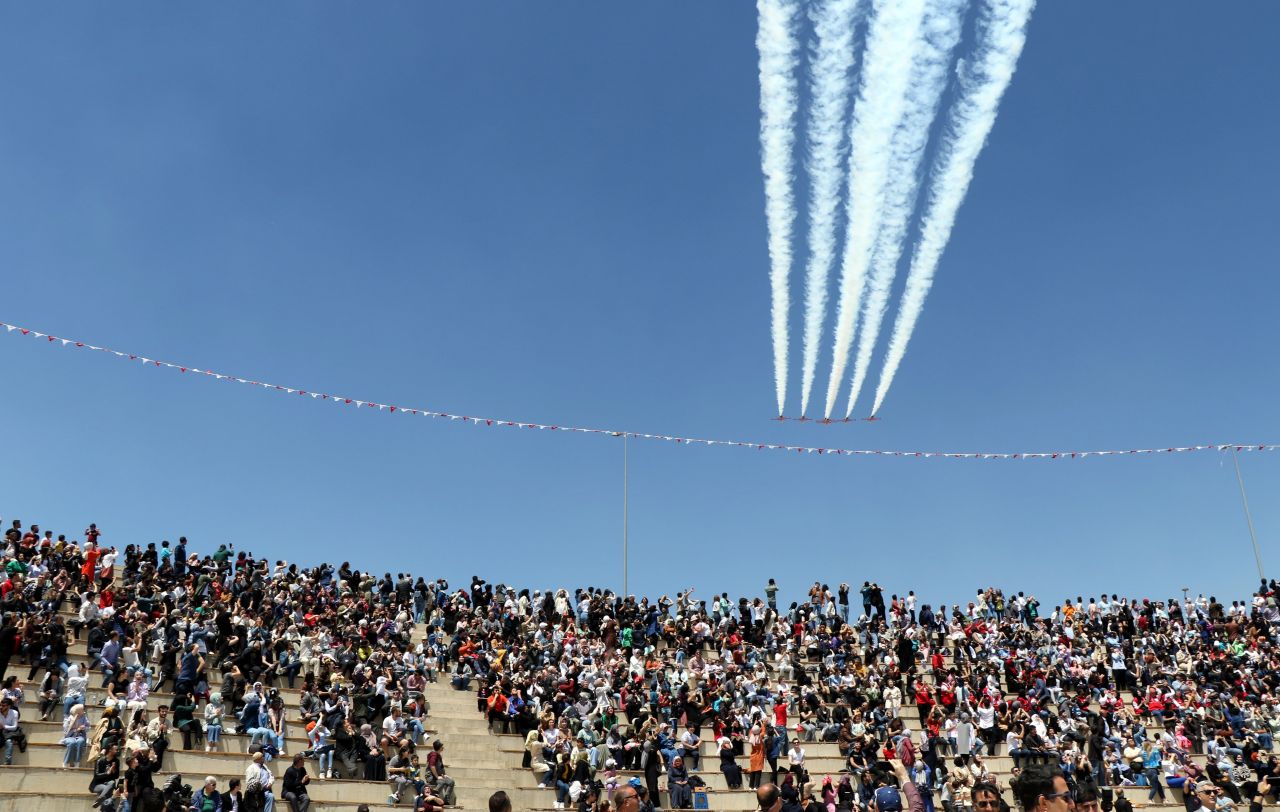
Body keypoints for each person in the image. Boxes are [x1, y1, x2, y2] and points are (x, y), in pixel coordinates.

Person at [426, 739, 457, 806]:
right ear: (439, 747)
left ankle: (446, 799)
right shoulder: (433, 755)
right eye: (442, 747)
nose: (443, 748)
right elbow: (432, 766)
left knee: (451, 782)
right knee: (442, 782)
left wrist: (443, 775)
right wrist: (437, 777)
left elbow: (440, 768)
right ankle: (433, 796)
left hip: (437, 776)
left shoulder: (438, 755)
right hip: (431, 777)